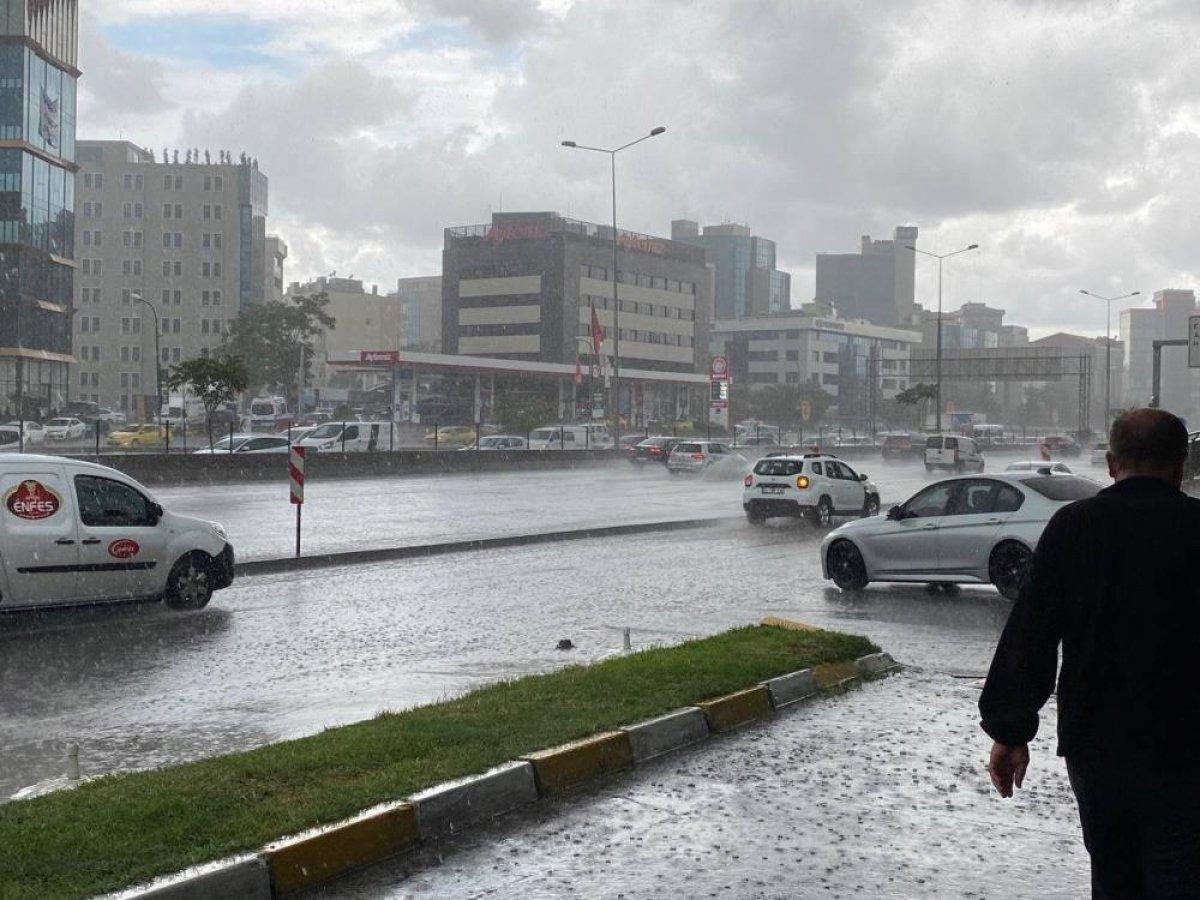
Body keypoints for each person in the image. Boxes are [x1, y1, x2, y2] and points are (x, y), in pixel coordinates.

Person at [979, 408, 1200, 898]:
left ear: (1111, 463)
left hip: (1098, 746)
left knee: (1114, 876)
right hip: (1185, 748)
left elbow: (1032, 633)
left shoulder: (1074, 528)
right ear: (1180, 465)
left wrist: (1010, 731)